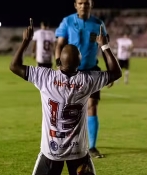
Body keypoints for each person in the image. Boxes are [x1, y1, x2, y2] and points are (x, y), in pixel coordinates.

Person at [10, 18, 122, 175]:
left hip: (51, 151)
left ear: (59, 61)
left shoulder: (45, 77)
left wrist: (25, 41)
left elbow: (14, 66)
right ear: (79, 63)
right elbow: (116, 72)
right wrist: (104, 45)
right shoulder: (87, 80)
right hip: (78, 152)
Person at [55, 0, 112, 158]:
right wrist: (58, 64)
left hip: (92, 71)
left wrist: (110, 71)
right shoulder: (67, 21)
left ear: (91, 4)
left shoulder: (98, 24)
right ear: (75, 5)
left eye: (86, 3)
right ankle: (65, 143)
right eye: (80, 3)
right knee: (68, 108)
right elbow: (59, 45)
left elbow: (105, 46)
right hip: (71, 72)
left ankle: (92, 147)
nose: (83, 6)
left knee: (92, 106)